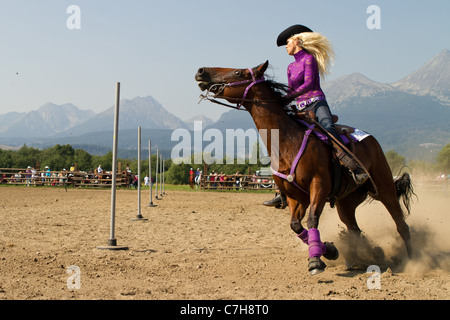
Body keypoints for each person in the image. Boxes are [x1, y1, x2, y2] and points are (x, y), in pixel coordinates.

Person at [264, 24, 368, 208]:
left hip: (316, 102)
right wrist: (282, 102)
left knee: (328, 127)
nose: (286, 47)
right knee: (281, 138)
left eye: (287, 43)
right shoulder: (290, 66)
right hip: (300, 107)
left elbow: (309, 84)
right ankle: (281, 191)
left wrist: (287, 98)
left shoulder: (309, 60)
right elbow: (291, 89)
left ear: (297, 41)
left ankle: (353, 166)